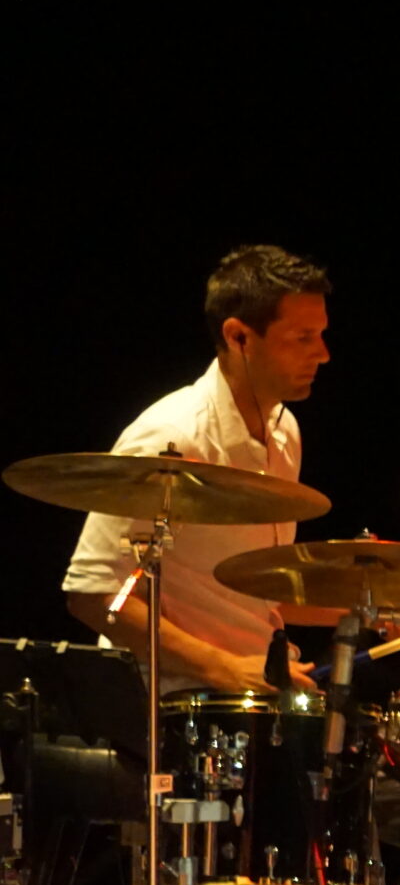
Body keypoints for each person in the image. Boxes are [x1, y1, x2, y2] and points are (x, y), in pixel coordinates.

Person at [63, 244, 335, 691]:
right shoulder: (171, 437)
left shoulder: (285, 432)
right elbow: (92, 591)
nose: (323, 354)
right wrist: (222, 668)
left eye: (322, 335)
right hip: (171, 701)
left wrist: (379, 606)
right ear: (238, 336)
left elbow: (252, 591)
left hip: (251, 692)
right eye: (303, 338)